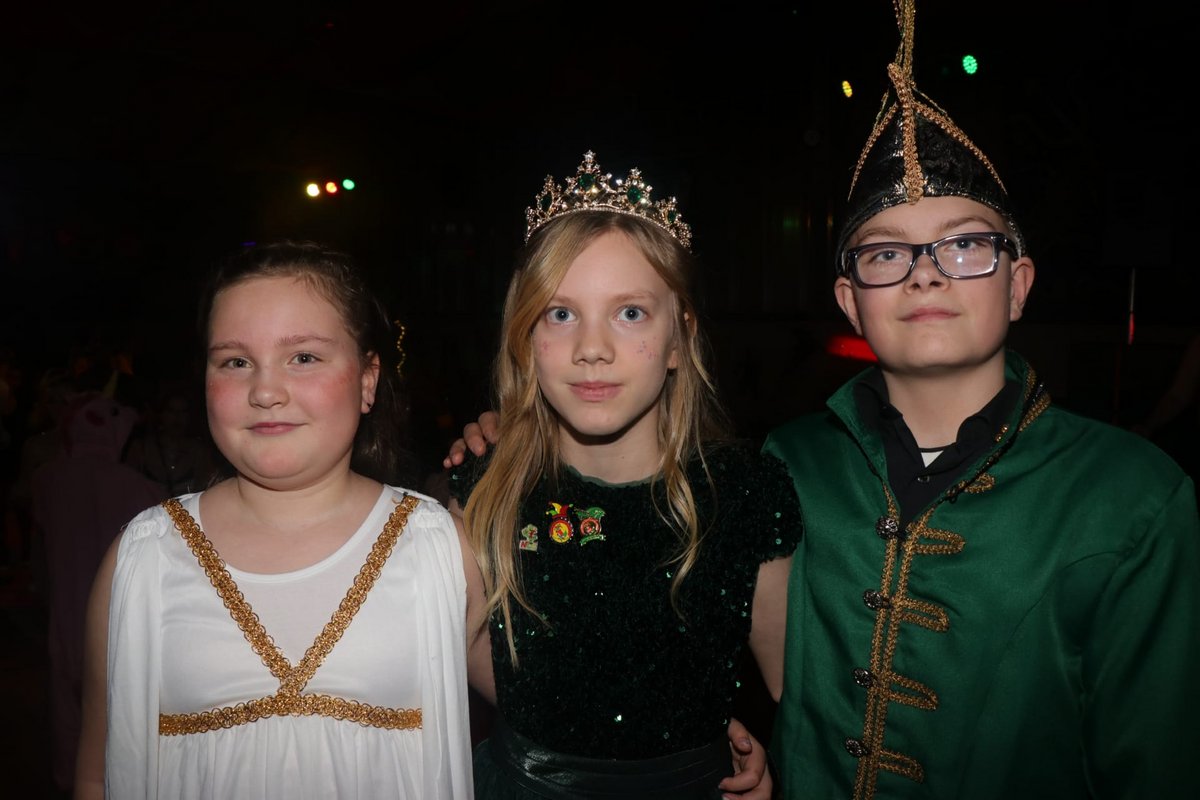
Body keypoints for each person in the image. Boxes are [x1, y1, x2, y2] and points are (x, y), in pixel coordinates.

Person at [448, 3, 1200, 797]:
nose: (925, 272)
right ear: (849, 300)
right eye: (887, 253)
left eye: (965, 245)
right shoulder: (796, 462)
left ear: (1019, 283)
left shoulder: (1133, 499)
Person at [76, 240, 490, 799]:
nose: (265, 391)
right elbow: (97, 774)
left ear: (368, 380)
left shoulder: (440, 550)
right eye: (236, 362)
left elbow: (564, 730)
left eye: (304, 357)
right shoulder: (142, 558)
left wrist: (555, 461)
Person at [446, 152, 800, 799]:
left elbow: (797, 696)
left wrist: (748, 750)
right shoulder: (485, 488)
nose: (592, 348)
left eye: (629, 312)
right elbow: (482, 660)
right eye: (560, 314)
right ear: (526, 338)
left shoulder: (746, 494)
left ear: (679, 338)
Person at [33, 391, 166, 794]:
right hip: (123, 614)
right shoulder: (140, 487)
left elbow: (40, 545)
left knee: (70, 705)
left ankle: (71, 780)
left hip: (66, 606)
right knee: (120, 705)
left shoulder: (48, 479)